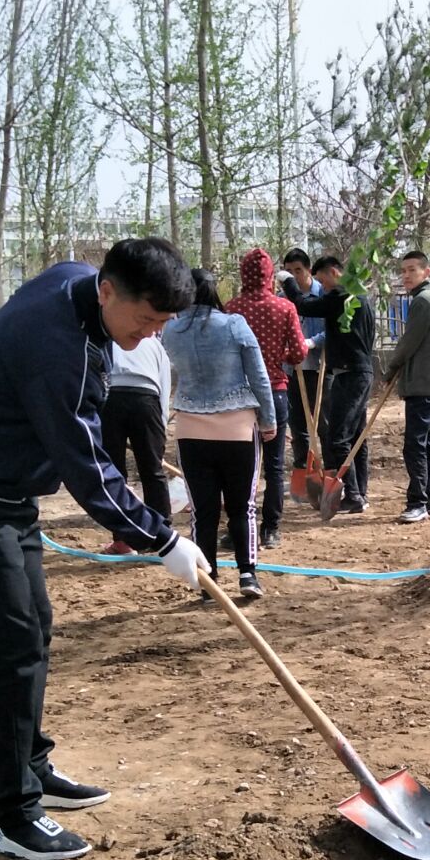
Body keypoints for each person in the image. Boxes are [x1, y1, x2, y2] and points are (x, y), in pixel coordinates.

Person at [0, 240, 208, 860]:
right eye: (145, 320)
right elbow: (88, 469)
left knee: (34, 627)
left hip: (6, 487)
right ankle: (15, 815)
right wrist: (161, 539)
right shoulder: (58, 351)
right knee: (13, 645)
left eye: (162, 323)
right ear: (108, 291)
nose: (150, 335)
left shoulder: (76, 281)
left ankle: (33, 766)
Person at [163, 268, 277, 600]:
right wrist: (269, 420)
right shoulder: (234, 324)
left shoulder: (170, 330)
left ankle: (208, 579)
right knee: (243, 507)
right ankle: (248, 574)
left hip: (190, 428)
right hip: (236, 427)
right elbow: (258, 376)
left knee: (203, 511)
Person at [220, 249, 305, 549]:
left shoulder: (231, 309)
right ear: (270, 276)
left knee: (240, 468)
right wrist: (278, 356)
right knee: (274, 465)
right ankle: (270, 529)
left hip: (239, 397)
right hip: (275, 390)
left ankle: (239, 529)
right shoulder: (285, 308)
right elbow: (299, 352)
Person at [294, 255, 376, 513]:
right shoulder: (361, 297)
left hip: (350, 375)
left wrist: (287, 284)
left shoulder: (341, 297)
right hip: (360, 372)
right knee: (356, 437)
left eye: (323, 280)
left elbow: (304, 306)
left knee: (338, 437)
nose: (323, 286)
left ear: (334, 272)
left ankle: (353, 494)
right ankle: (360, 492)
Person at [385, 249, 430, 523]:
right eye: (403, 271)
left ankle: (418, 503)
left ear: (427, 272)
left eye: (412, 269)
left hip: (425, 386)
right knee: (428, 444)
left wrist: (391, 368)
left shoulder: (424, 301)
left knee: (415, 446)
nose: (406, 275)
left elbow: (408, 342)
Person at [99, 323, 172, 556]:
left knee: (114, 473)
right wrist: (161, 425)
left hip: (111, 400)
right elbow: (164, 385)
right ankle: (162, 534)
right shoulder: (153, 344)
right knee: (153, 471)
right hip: (146, 402)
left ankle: (123, 540)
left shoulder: (107, 336)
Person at [280, 248, 328, 471]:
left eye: (298, 270)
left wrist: (312, 342)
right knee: (297, 424)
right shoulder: (282, 300)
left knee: (324, 422)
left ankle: (329, 468)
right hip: (292, 369)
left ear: (309, 270)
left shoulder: (324, 295)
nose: (294, 276)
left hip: (319, 368)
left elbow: (332, 330)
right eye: (289, 271)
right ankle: (303, 468)